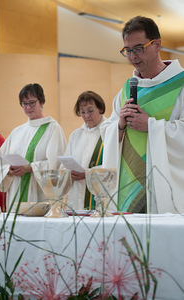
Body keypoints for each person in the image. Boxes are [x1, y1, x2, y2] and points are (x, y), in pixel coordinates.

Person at [100, 16, 184, 214]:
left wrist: (152, 125)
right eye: (127, 50)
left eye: (138, 48)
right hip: (127, 184)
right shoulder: (126, 89)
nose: (133, 56)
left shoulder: (180, 85)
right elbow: (107, 131)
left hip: (165, 182)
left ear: (157, 44)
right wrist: (119, 126)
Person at [0, 83, 67, 209]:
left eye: (32, 102)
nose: (28, 107)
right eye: (24, 104)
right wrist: (8, 170)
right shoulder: (17, 131)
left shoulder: (52, 128)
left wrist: (30, 168)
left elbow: (56, 165)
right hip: (16, 191)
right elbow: (0, 160)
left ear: (42, 102)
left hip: (39, 193)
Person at [65, 91, 106, 211]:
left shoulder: (110, 131)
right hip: (77, 193)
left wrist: (87, 175)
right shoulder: (76, 135)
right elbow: (65, 164)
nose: (86, 115)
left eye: (90, 111)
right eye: (82, 112)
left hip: (100, 196)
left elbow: (114, 165)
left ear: (100, 108)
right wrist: (69, 173)